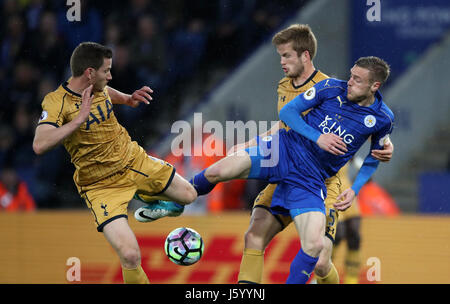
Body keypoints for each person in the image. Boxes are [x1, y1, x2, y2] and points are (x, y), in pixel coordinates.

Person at [182, 55, 395, 284]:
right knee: (251, 231)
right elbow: (286, 116)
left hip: (319, 181)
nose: (350, 82)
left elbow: (376, 155)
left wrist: (355, 189)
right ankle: (176, 199)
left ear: (375, 86)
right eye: (351, 75)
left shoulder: (382, 118)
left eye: (357, 79)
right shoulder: (328, 87)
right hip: (284, 156)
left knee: (321, 261)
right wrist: (314, 137)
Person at [230, 24, 394, 284]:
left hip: (325, 183)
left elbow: (372, 126)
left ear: (305, 56)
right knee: (254, 235)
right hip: (289, 172)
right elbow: (284, 125)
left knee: (320, 262)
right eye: (280, 56)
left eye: (286, 56)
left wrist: (385, 144)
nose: (281, 62)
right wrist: (251, 144)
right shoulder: (285, 85)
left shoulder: (330, 88)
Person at [32, 42, 196, 284]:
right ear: (89, 73)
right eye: (106, 71)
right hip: (101, 187)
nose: (110, 76)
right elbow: (39, 144)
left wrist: (128, 98)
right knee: (130, 255)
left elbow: (106, 93)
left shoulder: (98, 88)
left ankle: (150, 198)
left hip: (131, 161)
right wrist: (78, 121)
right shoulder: (56, 102)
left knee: (189, 195)